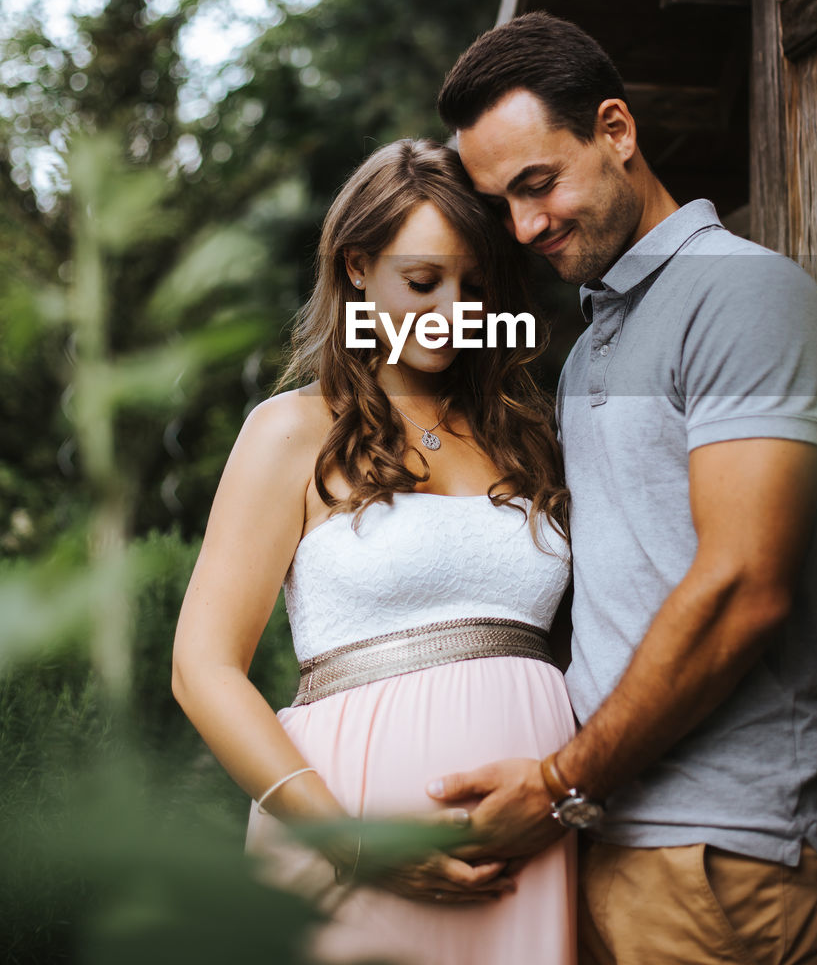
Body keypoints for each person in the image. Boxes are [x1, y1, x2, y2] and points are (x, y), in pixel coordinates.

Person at [430, 11, 817, 964]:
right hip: (612, 839)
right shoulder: (588, 351)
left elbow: (743, 587)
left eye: (538, 184)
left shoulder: (742, 294)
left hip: (726, 858)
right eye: (502, 203)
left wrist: (555, 783)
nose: (525, 226)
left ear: (615, 131)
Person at [172, 138, 578, 965]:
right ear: (357, 267)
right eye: (422, 282)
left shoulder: (528, 437)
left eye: (474, 286)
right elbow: (202, 668)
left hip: (530, 843)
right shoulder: (288, 431)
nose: (452, 311)